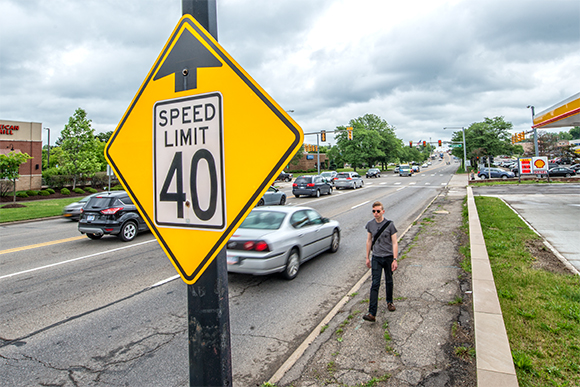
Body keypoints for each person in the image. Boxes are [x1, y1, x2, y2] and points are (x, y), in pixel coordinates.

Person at [363, 201, 398, 322]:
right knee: (375, 284)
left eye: (378, 211)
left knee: (389, 280)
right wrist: (367, 257)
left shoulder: (390, 225)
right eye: (374, 211)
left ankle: (389, 302)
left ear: (383, 211)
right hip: (376, 257)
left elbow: (394, 242)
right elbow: (369, 241)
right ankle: (372, 313)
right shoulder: (370, 225)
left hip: (388, 257)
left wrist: (395, 259)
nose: (376, 213)